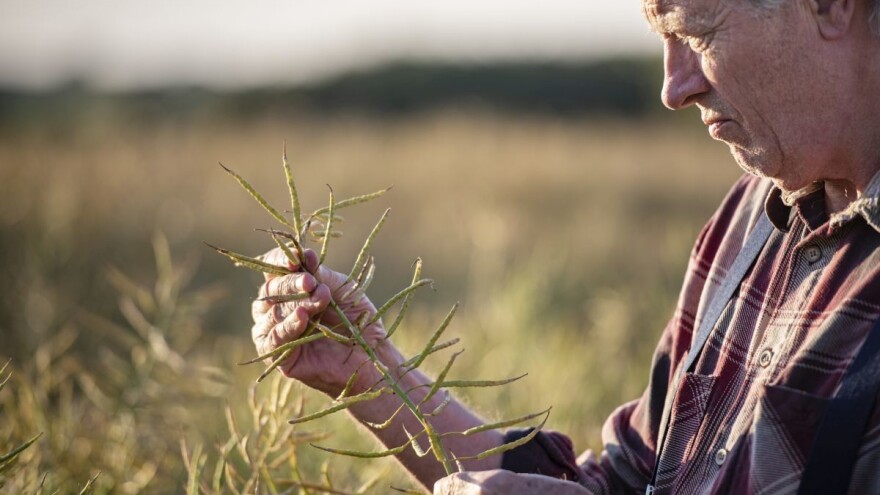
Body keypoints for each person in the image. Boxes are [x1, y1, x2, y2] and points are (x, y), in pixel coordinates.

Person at [250, 0, 880, 492]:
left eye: (696, 33)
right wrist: (371, 373)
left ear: (829, 6)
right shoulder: (752, 218)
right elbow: (632, 482)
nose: (674, 87)